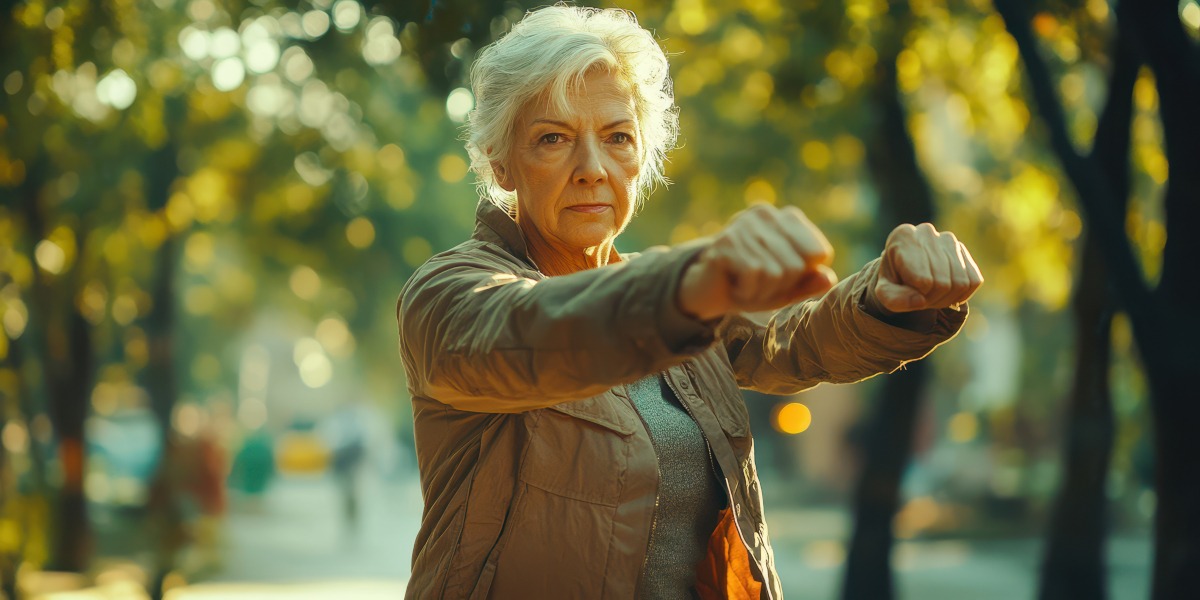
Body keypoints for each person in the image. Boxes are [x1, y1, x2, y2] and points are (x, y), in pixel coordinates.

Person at [396, 5, 982, 599]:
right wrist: (692, 285)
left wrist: (886, 300)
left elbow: (794, 340)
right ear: (501, 161)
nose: (592, 169)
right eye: (553, 138)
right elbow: (529, 333)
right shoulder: (448, 291)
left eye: (618, 137)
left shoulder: (679, 292)